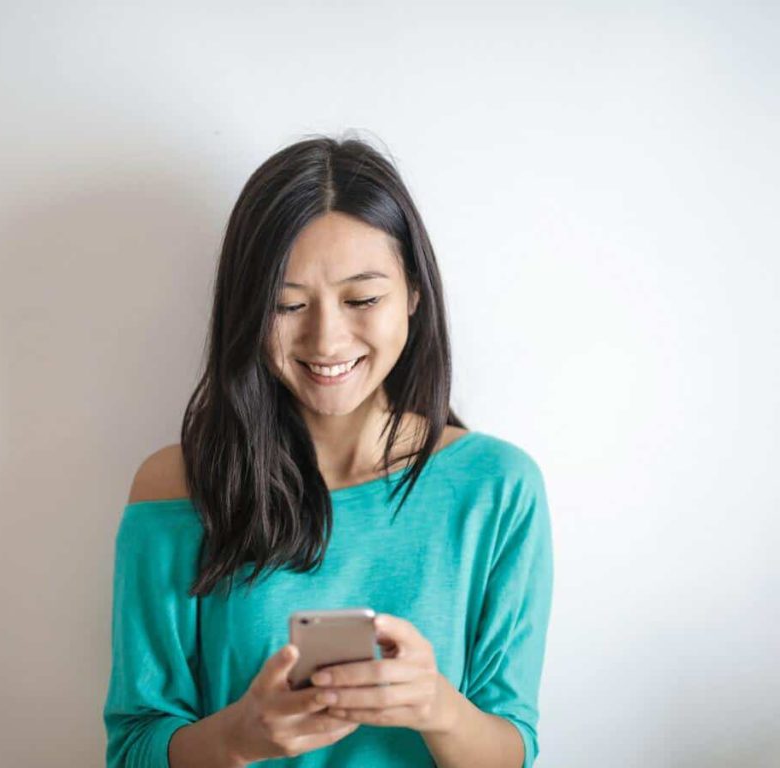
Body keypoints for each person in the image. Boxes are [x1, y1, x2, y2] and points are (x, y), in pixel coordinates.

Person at [103, 133, 554, 768]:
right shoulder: (177, 486)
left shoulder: (497, 488)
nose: (326, 338)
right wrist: (238, 736)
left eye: (362, 299)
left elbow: (513, 751)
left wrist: (437, 708)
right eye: (287, 305)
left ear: (414, 298)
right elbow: (132, 750)